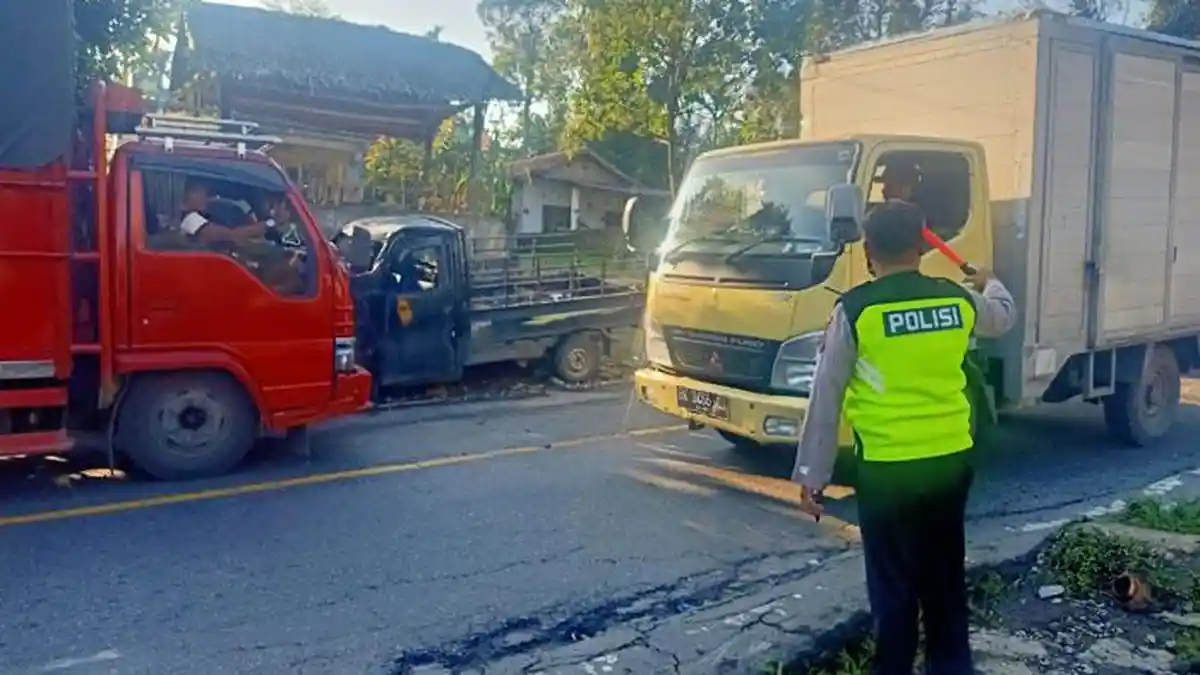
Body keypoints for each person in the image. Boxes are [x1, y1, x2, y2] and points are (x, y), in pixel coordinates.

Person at [791, 200, 1017, 675]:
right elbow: (1003, 316)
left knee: (893, 587)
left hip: (887, 469)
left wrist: (813, 474)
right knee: (944, 578)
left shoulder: (855, 310)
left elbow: (826, 396)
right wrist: (990, 280)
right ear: (921, 247)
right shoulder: (955, 300)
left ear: (868, 251)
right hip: (949, 463)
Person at [178, 178, 266, 246]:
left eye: (207, 192)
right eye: (198, 192)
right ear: (188, 194)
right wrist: (257, 229)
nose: (206, 197)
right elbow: (227, 236)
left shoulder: (209, 214)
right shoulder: (189, 219)